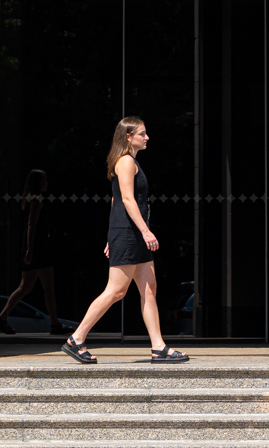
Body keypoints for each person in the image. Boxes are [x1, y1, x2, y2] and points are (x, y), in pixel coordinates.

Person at [62, 116, 187, 364]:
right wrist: (145, 232)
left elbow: (115, 201)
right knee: (117, 291)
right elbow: (127, 201)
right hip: (131, 232)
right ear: (128, 137)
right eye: (142, 133)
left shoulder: (132, 162)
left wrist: (114, 234)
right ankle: (76, 338)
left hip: (130, 232)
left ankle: (158, 347)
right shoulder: (126, 162)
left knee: (149, 290)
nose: (147, 137)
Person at [0, 168, 64, 335]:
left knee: (25, 287)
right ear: (39, 182)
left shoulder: (29, 200)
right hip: (38, 249)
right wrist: (31, 250)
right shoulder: (36, 201)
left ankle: (2, 318)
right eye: (44, 180)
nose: (47, 183)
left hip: (34, 248)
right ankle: (54, 324)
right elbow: (31, 226)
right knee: (48, 288)